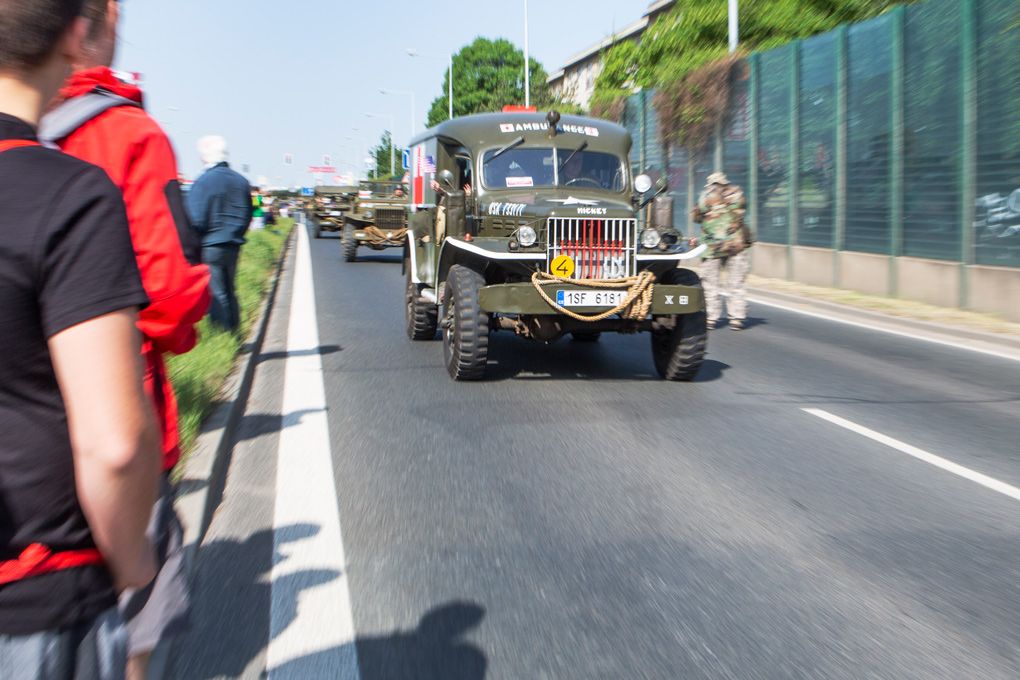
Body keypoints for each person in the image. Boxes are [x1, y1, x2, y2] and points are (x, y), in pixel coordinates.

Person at [39, 2, 212, 676]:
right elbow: (167, 292)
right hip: (115, 409)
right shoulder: (129, 133)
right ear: (96, 21)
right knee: (129, 625)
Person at [0, 1, 161, 676]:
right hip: (38, 591)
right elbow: (114, 444)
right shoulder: (68, 196)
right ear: (76, 35)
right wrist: (133, 567)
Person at [187, 135, 254, 333]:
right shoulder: (241, 181)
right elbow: (248, 213)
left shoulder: (203, 181)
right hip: (233, 244)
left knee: (216, 293)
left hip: (210, 245)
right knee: (230, 289)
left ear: (205, 157)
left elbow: (196, 218)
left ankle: (223, 335)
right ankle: (235, 331)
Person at [691, 172, 753, 330]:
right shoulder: (737, 194)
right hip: (735, 246)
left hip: (713, 247)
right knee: (736, 283)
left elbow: (696, 217)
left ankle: (711, 318)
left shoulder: (705, 197)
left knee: (711, 284)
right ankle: (737, 318)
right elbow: (741, 211)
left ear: (711, 184)